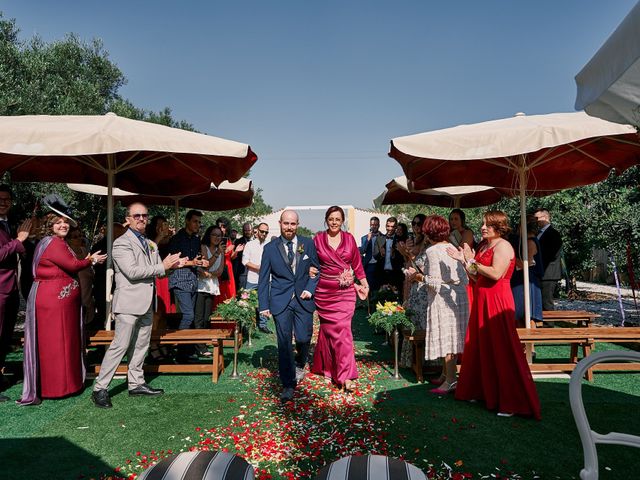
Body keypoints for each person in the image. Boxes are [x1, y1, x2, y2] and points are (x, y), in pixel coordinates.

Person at [448, 211, 541, 419]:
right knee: (481, 346)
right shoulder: (483, 246)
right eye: (482, 223)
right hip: (482, 298)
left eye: (486, 224)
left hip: (497, 300)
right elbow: (474, 275)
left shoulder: (503, 246)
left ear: (498, 227)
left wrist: (471, 260)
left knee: (501, 347)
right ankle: (481, 391)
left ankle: (512, 400)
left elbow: (495, 273)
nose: (482, 227)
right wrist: (464, 261)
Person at [91, 203, 184, 409]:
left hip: (146, 302)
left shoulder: (150, 243)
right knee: (120, 346)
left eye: (144, 215)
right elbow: (132, 272)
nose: (141, 218)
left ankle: (136, 383)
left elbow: (156, 271)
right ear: (129, 219)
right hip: (128, 303)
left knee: (141, 346)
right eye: (137, 215)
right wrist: (162, 266)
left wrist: (172, 267)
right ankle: (100, 388)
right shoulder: (120, 243)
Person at [19, 196, 107, 405]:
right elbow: (73, 265)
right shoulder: (53, 244)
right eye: (58, 222)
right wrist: (91, 259)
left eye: (66, 222)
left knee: (64, 343)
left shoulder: (56, 242)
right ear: (50, 226)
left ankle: (68, 383)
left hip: (61, 303)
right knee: (56, 345)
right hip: (53, 304)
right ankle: (57, 387)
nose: (63, 225)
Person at [258, 210, 320, 403]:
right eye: (286, 223)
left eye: (293, 224)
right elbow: (263, 279)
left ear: (297, 224)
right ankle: (288, 383)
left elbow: (317, 270)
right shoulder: (269, 248)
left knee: (303, 337)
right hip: (280, 300)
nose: (289, 227)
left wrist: (310, 288)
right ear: (280, 223)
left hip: (303, 299)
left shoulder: (307, 244)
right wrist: (263, 305)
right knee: (284, 342)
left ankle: (301, 361)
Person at [407, 215, 468, 394]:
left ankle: (450, 380)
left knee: (447, 338)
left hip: (443, 298)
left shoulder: (432, 251)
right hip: (460, 297)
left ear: (429, 232)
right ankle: (445, 374)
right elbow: (464, 278)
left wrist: (416, 276)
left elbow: (433, 282)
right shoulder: (452, 247)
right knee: (453, 338)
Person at [311, 206, 369, 391]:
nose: (334, 222)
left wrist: (365, 284)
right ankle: (326, 367)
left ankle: (345, 376)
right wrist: (309, 269)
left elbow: (357, 264)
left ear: (342, 221)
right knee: (328, 331)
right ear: (326, 220)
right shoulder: (317, 239)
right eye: (331, 219)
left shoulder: (349, 239)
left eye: (337, 219)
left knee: (343, 331)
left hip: (345, 293)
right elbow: (309, 261)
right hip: (324, 293)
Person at [0, 185, 33, 402]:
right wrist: (19, 240)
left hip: (11, 289)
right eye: (0, 199)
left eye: (7, 199)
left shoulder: (8, 224)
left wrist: (25, 239)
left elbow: (18, 250)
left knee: (4, 335)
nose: (4, 202)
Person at [168, 210, 208, 349]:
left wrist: (202, 262)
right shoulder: (177, 239)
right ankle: (174, 344)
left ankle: (184, 353)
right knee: (188, 315)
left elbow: (195, 259)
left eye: (199, 222)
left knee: (190, 317)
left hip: (192, 280)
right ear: (187, 221)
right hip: (179, 280)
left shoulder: (196, 239)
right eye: (195, 221)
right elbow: (172, 261)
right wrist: (193, 263)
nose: (198, 224)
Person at [194, 225, 226, 354]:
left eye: (219, 235)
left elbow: (220, 270)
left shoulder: (221, 251)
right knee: (199, 317)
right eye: (214, 234)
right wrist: (217, 253)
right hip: (201, 286)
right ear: (209, 235)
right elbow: (206, 264)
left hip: (212, 285)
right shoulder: (203, 247)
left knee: (207, 317)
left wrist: (210, 274)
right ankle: (199, 346)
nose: (217, 238)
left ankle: (203, 343)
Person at [510, 215, 544, 327]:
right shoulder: (524, 241)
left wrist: (510, 257)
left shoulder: (530, 243)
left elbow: (526, 263)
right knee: (519, 315)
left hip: (527, 282)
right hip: (520, 281)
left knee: (528, 316)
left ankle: (530, 343)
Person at [242, 222, 272, 333]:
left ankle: (263, 324)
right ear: (257, 231)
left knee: (264, 302)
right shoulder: (249, 245)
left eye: (266, 232)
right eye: (262, 231)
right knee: (247, 302)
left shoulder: (269, 245)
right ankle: (247, 324)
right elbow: (244, 261)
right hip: (252, 278)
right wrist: (258, 268)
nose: (264, 233)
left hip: (266, 280)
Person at [534, 208, 563, 311]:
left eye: (537, 218)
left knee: (546, 302)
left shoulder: (553, 234)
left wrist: (534, 259)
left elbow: (552, 254)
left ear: (545, 218)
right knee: (540, 301)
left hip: (548, 273)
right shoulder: (538, 233)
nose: (535, 221)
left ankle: (548, 325)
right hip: (541, 272)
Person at [67, 225, 96, 326]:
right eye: (75, 237)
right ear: (68, 239)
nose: (79, 238)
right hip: (76, 284)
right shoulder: (68, 252)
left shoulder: (84, 250)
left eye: (80, 236)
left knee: (88, 307)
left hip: (88, 283)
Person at [375, 216, 404, 295]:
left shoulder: (400, 239)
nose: (390, 228)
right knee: (381, 298)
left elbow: (403, 258)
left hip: (395, 273)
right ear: (385, 226)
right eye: (388, 226)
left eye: (392, 227)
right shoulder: (379, 238)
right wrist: (380, 253)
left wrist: (394, 254)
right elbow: (375, 256)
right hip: (382, 273)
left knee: (395, 298)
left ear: (396, 228)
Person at [213, 216, 236, 308]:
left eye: (224, 226)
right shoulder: (215, 239)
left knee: (230, 290)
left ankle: (229, 313)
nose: (222, 229)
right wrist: (226, 251)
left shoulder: (229, 239)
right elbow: (214, 255)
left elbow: (232, 256)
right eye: (220, 226)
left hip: (229, 266)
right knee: (221, 290)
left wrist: (236, 251)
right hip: (220, 267)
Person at [359, 216, 381, 293]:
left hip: (379, 265)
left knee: (378, 288)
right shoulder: (364, 238)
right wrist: (368, 240)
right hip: (368, 265)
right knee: (368, 288)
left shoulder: (383, 237)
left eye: (375, 225)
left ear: (378, 225)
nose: (373, 226)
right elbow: (362, 251)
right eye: (372, 225)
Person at [232, 222, 253, 291]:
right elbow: (233, 257)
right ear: (243, 231)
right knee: (241, 294)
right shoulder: (237, 242)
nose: (247, 232)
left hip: (253, 273)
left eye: (248, 230)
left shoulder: (255, 242)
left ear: (252, 230)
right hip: (241, 274)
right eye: (245, 230)